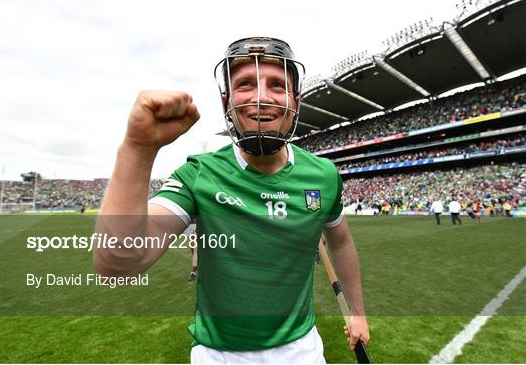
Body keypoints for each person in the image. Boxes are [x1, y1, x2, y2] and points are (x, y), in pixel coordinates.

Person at [94, 37, 369, 363]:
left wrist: (358, 312)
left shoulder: (323, 175)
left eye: (278, 85)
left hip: (302, 351)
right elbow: (117, 265)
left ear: (296, 101)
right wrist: (138, 148)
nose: (262, 97)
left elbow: (341, 243)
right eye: (245, 84)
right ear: (226, 101)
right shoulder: (199, 173)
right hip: (219, 354)